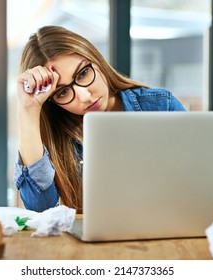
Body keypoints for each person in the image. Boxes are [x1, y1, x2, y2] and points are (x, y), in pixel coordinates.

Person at [14, 25, 186, 213]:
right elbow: (40, 208)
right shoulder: (57, 136)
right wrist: (28, 109)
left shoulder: (161, 106)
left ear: (96, 60)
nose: (84, 96)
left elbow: (195, 178)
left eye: (83, 73)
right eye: (62, 92)